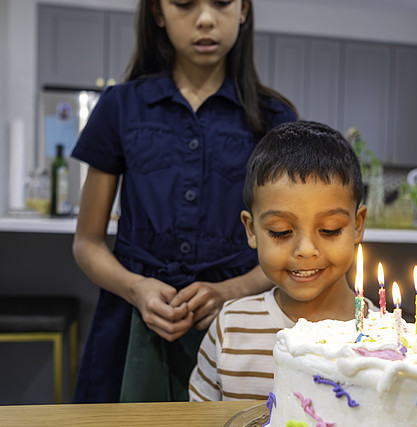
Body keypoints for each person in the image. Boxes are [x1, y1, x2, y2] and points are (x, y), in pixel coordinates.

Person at [71, 0, 297, 403]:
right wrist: (136, 288)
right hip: (130, 324)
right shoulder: (120, 107)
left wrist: (233, 289)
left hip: (239, 328)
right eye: (184, 4)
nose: (206, 18)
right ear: (158, 13)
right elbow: (87, 243)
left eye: (222, 3)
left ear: (243, 10)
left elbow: (291, 245)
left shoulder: (274, 118)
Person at [188, 120, 372, 401]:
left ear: (357, 225)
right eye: (281, 232)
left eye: (330, 229)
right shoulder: (231, 328)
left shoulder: (387, 335)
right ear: (251, 230)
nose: (306, 250)